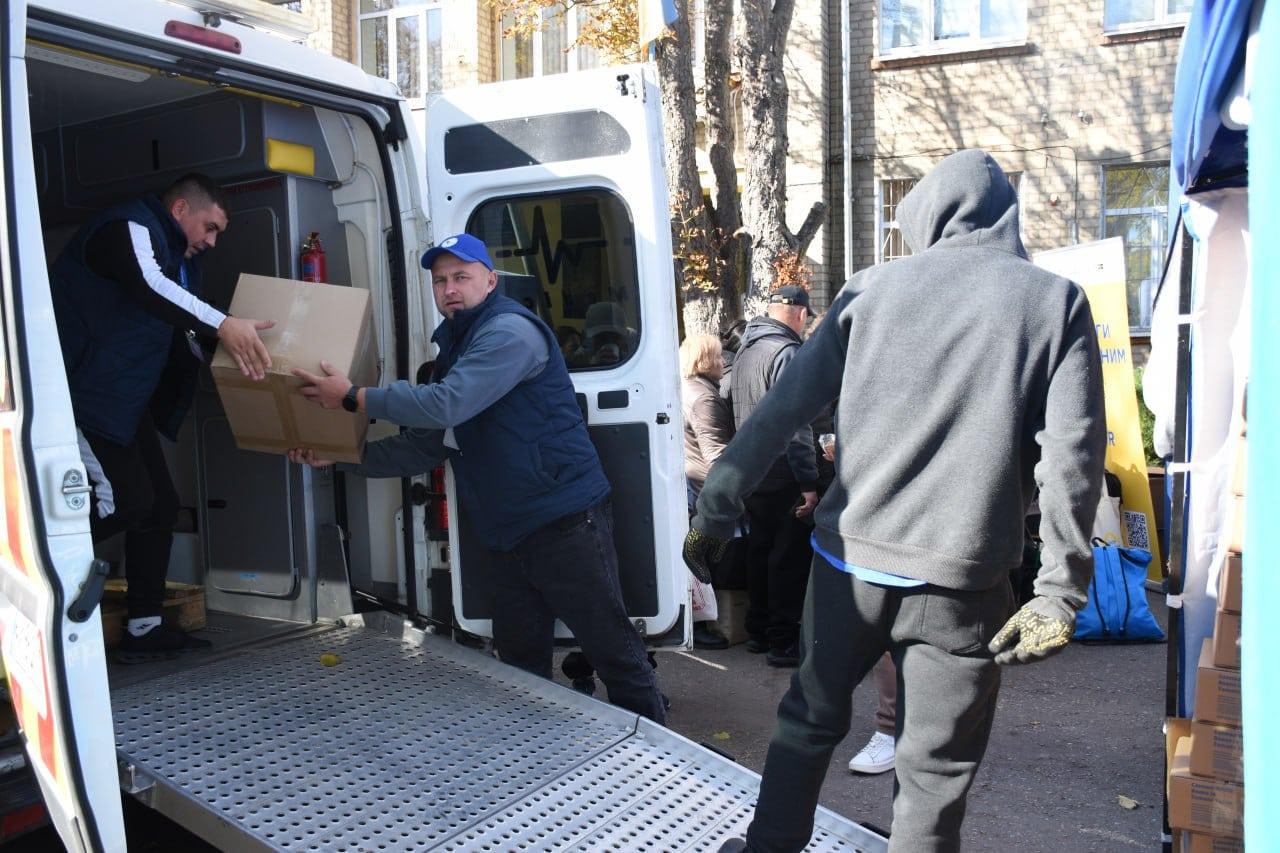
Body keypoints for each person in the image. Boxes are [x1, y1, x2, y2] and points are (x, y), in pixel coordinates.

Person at [684, 150, 1105, 851]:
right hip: (963, 581)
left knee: (807, 722)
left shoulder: (868, 291)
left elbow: (779, 413)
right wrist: (1060, 591)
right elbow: (1074, 454)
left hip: (850, 563)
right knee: (935, 771)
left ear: (927, 216)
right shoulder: (1053, 302)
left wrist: (717, 508)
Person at [289, 233, 666, 724]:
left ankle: (653, 750)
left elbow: (448, 404)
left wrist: (353, 396)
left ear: (491, 281)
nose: (449, 287)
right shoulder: (457, 348)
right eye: (440, 279)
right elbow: (427, 443)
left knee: (613, 648)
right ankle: (537, 753)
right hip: (508, 531)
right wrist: (340, 457)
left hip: (563, 521)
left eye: (461, 276)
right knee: (519, 659)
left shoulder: (510, 333)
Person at [50, 172, 274, 662]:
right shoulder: (129, 227)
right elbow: (150, 287)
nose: (212, 242)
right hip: (84, 397)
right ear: (179, 211)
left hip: (123, 403)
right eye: (209, 228)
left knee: (159, 506)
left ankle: (144, 629)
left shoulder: (172, 254)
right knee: (124, 503)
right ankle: (24, 581)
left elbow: (172, 316)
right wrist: (224, 324)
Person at [727, 285, 819, 668]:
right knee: (787, 558)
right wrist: (809, 481)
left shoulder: (746, 348)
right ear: (798, 313)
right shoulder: (787, 352)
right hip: (782, 471)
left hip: (751, 468)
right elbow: (796, 423)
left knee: (760, 550)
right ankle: (782, 641)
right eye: (807, 316)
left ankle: (759, 630)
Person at [680, 334, 735, 650]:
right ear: (703, 360)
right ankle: (701, 626)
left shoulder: (686, 388)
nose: (722, 362)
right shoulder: (704, 398)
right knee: (702, 559)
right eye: (716, 357)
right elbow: (715, 453)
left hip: (690, 479)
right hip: (703, 485)